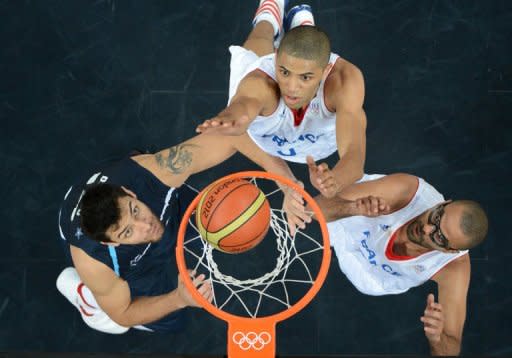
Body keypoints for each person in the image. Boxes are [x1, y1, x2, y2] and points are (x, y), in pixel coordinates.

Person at [56, 133, 296, 333]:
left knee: (213, 222)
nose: (145, 225)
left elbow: (232, 135)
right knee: (170, 320)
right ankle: (90, 301)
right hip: (132, 264)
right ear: (111, 242)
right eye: (128, 232)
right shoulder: (95, 262)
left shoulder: (157, 172)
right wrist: (179, 298)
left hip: (144, 188)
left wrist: (288, 185)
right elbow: (124, 312)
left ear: (130, 193)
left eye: (135, 210)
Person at [196, 1, 367, 234]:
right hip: (266, 133)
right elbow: (244, 106)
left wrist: (336, 179)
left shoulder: (345, 80)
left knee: (358, 117)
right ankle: (269, 14)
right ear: (275, 58)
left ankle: (301, 27)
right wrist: (230, 118)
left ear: (326, 70)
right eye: (284, 72)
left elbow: (354, 156)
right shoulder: (261, 79)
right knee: (259, 39)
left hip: (316, 142)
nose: (291, 87)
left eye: (305, 78)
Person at [308, 166, 488, 356]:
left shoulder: (453, 268)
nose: (427, 228)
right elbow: (313, 208)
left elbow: (451, 349)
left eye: (439, 237)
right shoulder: (406, 191)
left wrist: (438, 339)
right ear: (445, 203)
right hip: (347, 224)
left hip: (372, 278)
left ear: (449, 250)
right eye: (436, 217)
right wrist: (352, 208)